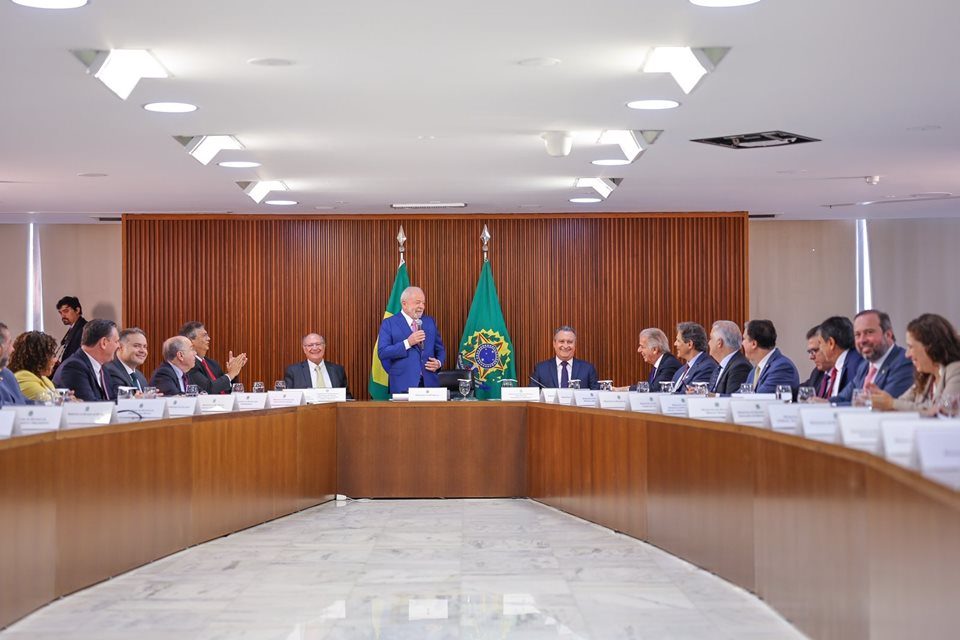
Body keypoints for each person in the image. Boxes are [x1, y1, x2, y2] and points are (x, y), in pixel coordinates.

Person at [869, 313, 960, 413]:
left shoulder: (956, 370)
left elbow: (945, 408)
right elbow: (901, 403)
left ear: (930, 347)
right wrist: (882, 400)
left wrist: (891, 403)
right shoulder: (926, 377)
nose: (907, 354)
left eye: (910, 347)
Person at [833, 309, 914, 403]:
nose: (862, 340)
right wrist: (824, 404)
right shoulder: (864, 366)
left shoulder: (904, 362)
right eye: (857, 334)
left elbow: (884, 406)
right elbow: (842, 398)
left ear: (888, 335)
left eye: (869, 332)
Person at [377, 286, 446, 393]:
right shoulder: (389, 323)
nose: (421, 306)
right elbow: (383, 352)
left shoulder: (429, 322)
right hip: (402, 384)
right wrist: (408, 343)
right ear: (404, 303)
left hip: (429, 385)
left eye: (423, 303)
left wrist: (439, 363)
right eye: (418, 302)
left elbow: (440, 349)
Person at [52, 319, 120, 401]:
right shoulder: (73, 367)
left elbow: (112, 398)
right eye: (116, 341)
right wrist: (125, 403)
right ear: (104, 343)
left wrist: (131, 401)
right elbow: (89, 406)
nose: (118, 346)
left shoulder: (102, 369)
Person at [179, 321, 247, 394]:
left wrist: (234, 372)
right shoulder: (189, 365)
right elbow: (207, 389)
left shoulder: (213, 364)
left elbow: (227, 390)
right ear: (191, 341)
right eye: (204, 335)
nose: (209, 338)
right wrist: (231, 374)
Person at [284, 333, 352, 397]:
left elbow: (347, 398)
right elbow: (288, 398)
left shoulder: (338, 370)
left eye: (318, 344)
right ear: (304, 349)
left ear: (324, 346)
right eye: (310, 345)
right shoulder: (294, 371)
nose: (315, 348)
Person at [530, 325, 599, 390]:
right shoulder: (541, 369)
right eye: (561, 341)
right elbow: (532, 397)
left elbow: (596, 396)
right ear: (554, 344)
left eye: (569, 342)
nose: (565, 346)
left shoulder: (588, 369)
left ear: (575, 344)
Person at [742, 319, 800, 394]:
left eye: (744, 339)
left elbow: (760, 398)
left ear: (754, 344)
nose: (742, 343)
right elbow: (739, 395)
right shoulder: (754, 371)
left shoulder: (782, 367)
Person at [816, 316, 863, 401]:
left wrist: (826, 405)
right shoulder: (839, 365)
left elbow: (854, 402)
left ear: (831, 343)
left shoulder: (856, 364)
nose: (820, 349)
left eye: (820, 343)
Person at [670, 322, 718, 393]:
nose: (675, 344)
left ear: (690, 344)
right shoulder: (680, 371)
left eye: (678, 341)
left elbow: (691, 395)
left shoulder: (707, 367)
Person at [9, 331, 58, 401]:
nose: (55, 360)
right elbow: (52, 404)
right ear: (38, 357)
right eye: (52, 355)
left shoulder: (44, 379)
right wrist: (68, 401)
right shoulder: (23, 378)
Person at [707, 320, 752, 395]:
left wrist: (706, 395)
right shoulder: (719, 368)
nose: (708, 343)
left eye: (711, 338)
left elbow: (732, 399)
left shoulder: (740, 367)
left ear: (719, 343)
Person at [105, 327, 150, 396]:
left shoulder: (140, 376)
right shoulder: (110, 371)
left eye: (145, 347)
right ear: (120, 347)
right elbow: (118, 402)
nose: (142, 351)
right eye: (137, 346)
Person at [0, 322, 29, 406]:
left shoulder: (7, 375)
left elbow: (24, 402)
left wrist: (55, 404)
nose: (13, 349)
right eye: (9, 344)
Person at [55, 295, 86, 366]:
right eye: (60, 313)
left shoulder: (85, 329)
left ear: (77, 310)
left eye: (66, 311)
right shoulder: (75, 327)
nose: (63, 316)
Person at [800, 325, 826, 391]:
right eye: (810, 352)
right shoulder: (817, 372)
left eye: (814, 351)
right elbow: (801, 390)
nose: (811, 357)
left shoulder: (850, 369)